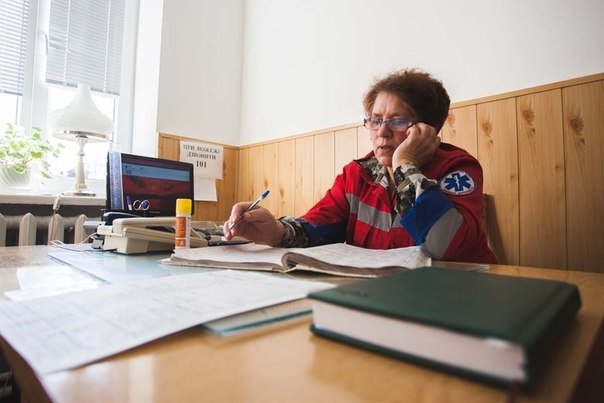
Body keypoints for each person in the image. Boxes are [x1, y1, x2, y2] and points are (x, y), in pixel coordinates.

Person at [224, 68, 497, 264]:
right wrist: (276, 231)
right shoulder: (357, 175)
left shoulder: (457, 168)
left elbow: (445, 246)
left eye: (397, 121)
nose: (382, 132)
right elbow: (320, 225)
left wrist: (405, 164)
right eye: (376, 120)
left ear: (427, 129)